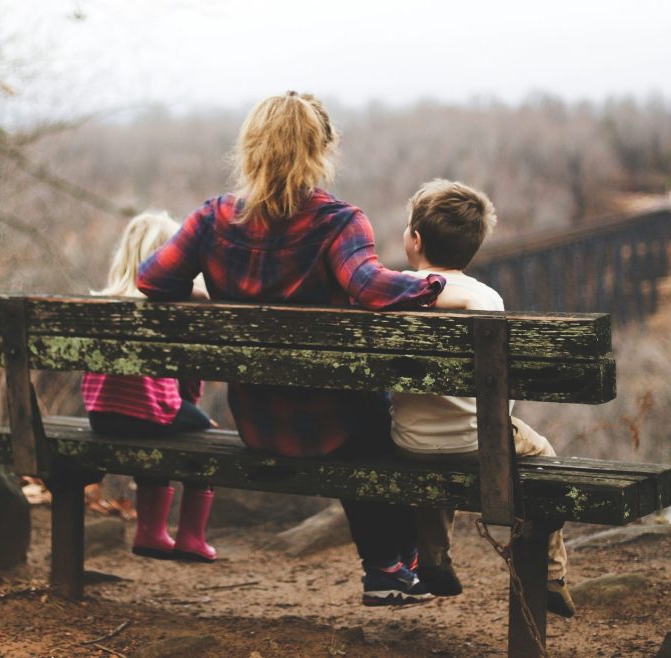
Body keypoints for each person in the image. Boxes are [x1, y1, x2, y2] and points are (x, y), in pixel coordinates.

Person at [137, 92, 446, 605]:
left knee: (365, 414)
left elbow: (151, 280)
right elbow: (370, 287)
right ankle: (392, 565)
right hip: (336, 428)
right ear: (322, 150)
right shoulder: (338, 222)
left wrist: (202, 294)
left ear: (250, 149)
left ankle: (395, 567)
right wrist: (433, 284)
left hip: (258, 424)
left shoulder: (212, 219)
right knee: (381, 417)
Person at [389, 178, 576, 617]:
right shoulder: (487, 299)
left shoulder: (392, 292)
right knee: (543, 454)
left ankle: (433, 559)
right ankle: (551, 572)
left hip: (409, 442)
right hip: (480, 442)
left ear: (415, 240)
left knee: (433, 453)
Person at [82, 210, 217, 563]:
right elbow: (188, 376)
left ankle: (151, 532)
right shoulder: (169, 307)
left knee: (158, 425)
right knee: (203, 434)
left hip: (101, 416)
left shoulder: (102, 302)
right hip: (150, 414)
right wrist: (194, 410)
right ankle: (190, 538)